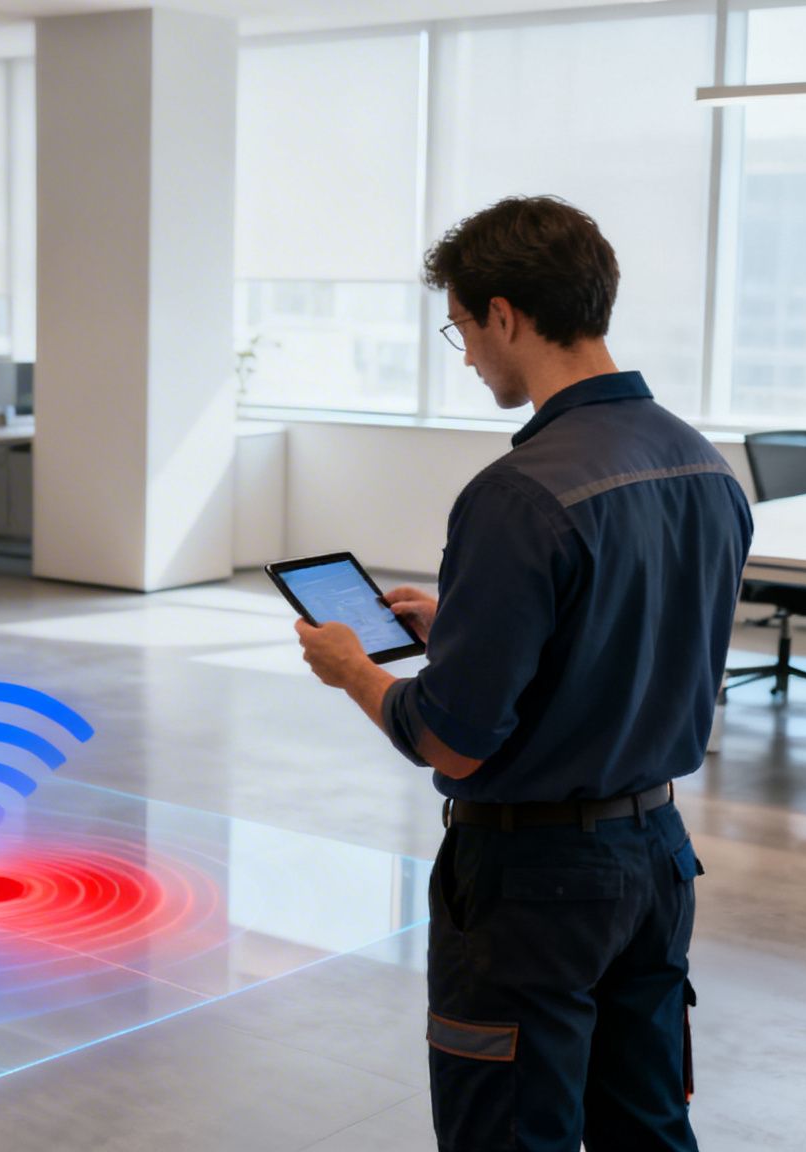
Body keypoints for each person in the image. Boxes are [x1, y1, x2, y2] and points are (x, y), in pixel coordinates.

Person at [294, 196, 752, 1152]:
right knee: (647, 1125)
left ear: (504, 314)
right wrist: (460, 624)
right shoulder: (703, 466)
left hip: (531, 884)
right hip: (657, 858)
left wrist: (354, 670)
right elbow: (614, 642)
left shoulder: (518, 494)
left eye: (460, 328)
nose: (464, 355)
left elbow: (454, 740)